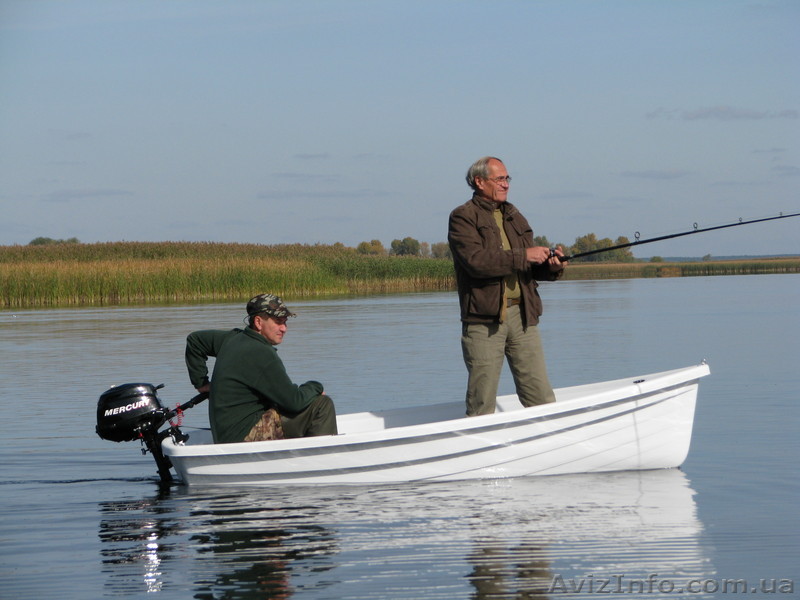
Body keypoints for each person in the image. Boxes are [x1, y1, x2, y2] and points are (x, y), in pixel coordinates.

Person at [448, 156, 567, 416]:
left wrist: (551, 267)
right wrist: (524, 255)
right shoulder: (462, 217)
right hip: (483, 321)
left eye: (507, 179)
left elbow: (529, 267)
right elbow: (476, 262)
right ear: (479, 182)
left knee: (541, 398)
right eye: (499, 179)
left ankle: (545, 446)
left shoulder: (515, 216)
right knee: (482, 402)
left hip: (523, 317)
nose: (506, 184)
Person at [185, 293, 338, 443]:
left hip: (226, 434)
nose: (284, 328)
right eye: (278, 322)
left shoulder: (233, 338)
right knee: (321, 405)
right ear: (258, 322)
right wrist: (315, 387)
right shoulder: (261, 352)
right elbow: (294, 401)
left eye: (285, 322)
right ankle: (320, 459)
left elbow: (196, 340)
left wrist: (201, 383)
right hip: (243, 436)